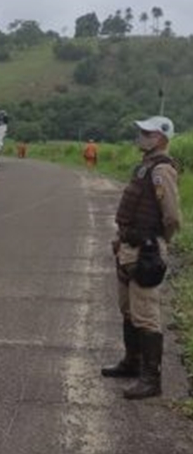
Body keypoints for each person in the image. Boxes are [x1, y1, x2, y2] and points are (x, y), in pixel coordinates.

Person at [101, 116, 181, 399]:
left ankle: (151, 379)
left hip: (146, 249)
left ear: (160, 138)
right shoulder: (145, 167)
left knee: (146, 315)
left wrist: (157, 243)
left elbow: (171, 217)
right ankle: (131, 362)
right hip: (128, 246)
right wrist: (121, 239)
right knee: (127, 309)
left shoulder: (162, 171)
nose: (141, 136)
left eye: (146, 133)